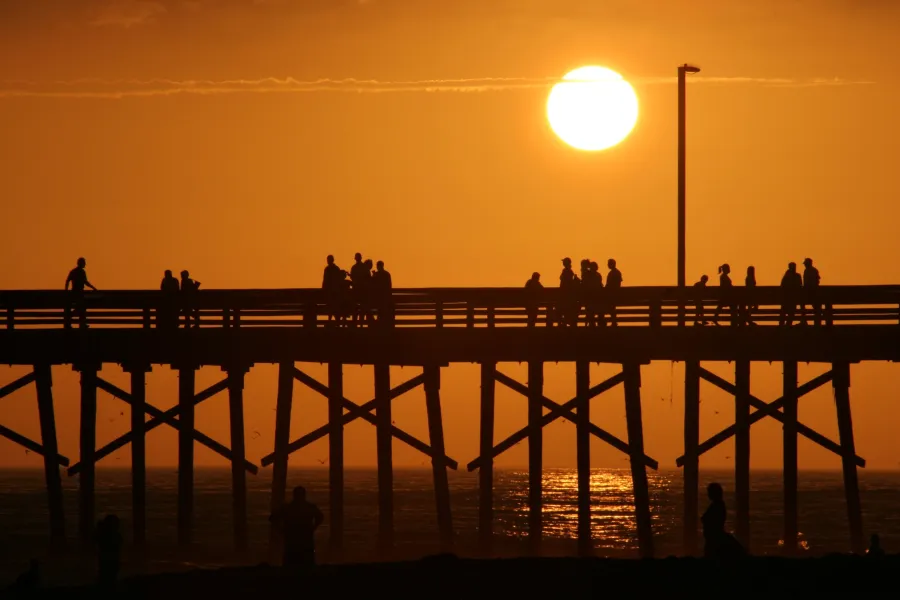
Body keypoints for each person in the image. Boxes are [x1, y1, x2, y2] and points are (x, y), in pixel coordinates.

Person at [269, 486, 324, 569]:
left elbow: (272, 518)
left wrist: (280, 530)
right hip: (305, 537)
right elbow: (320, 517)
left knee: (290, 561)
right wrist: (313, 527)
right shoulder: (309, 507)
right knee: (307, 561)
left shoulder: (287, 508)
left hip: (292, 538)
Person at [701, 483, 744, 559]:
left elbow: (712, 520)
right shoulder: (718, 505)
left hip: (714, 538)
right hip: (713, 537)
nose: (708, 494)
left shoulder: (717, 505)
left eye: (710, 492)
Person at [65, 257, 97, 329]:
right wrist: (93, 288)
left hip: (74, 293)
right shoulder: (82, 272)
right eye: (84, 263)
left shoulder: (73, 271)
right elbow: (85, 282)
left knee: (80, 308)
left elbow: (67, 281)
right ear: (81, 263)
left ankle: (71, 323)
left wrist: (66, 291)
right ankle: (81, 324)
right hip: (79, 293)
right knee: (81, 308)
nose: (85, 264)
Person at [95, 514, 122, 589]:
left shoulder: (104, 536)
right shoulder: (115, 536)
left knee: (106, 577)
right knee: (110, 577)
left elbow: (95, 540)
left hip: (107, 562)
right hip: (111, 562)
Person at [779, 262, 803, 326]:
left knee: (785, 312)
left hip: (787, 297)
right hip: (792, 297)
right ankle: (787, 324)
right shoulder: (797, 276)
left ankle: (783, 325)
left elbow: (782, 285)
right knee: (790, 312)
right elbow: (800, 285)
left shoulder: (786, 276)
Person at [371, 260, 393, 326]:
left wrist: (374, 276)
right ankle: (383, 324)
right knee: (383, 311)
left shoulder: (377, 274)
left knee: (379, 310)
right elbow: (389, 286)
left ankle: (379, 323)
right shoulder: (387, 274)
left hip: (379, 298)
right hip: (385, 298)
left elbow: (373, 285)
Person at [322, 255, 342, 324]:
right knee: (333, 308)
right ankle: (335, 321)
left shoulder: (329, 269)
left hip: (332, 292)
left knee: (332, 308)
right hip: (334, 292)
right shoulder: (335, 268)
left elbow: (325, 280)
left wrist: (323, 289)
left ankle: (331, 320)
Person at [558, 258, 578, 327]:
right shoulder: (569, 270)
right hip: (567, 294)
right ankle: (567, 322)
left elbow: (563, 279)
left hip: (565, 294)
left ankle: (565, 322)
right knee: (566, 309)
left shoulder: (566, 271)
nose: (563, 263)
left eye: (564, 262)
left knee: (565, 309)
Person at [801, 257, 821, 326]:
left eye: (805, 264)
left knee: (814, 307)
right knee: (816, 308)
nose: (805, 265)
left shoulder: (808, 271)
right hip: (813, 292)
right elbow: (818, 280)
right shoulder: (814, 270)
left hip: (810, 293)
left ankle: (805, 321)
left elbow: (808, 282)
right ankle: (816, 323)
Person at [604, 258, 622, 326]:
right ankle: (614, 321)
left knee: (611, 308)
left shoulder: (613, 273)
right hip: (615, 293)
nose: (607, 265)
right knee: (611, 308)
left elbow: (609, 284)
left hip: (611, 294)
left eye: (608, 263)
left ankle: (613, 322)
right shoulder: (617, 272)